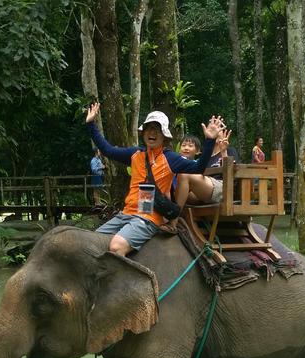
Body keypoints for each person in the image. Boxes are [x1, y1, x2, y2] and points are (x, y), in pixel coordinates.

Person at [86, 101, 222, 256]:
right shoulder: (135, 154)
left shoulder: (170, 158)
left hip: (148, 217)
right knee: (90, 243)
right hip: (125, 214)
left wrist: (210, 141)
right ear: (143, 133)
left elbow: (199, 169)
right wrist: (91, 124)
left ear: (164, 136)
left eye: (157, 129)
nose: (152, 132)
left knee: (116, 247)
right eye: (149, 128)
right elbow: (107, 150)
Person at [173, 126, 237, 209]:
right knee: (174, 190)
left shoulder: (230, 150)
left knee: (185, 175)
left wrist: (224, 151)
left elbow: (232, 173)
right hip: (203, 189)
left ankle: (174, 219)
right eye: (212, 129)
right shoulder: (206, 155)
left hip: (223, 188)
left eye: (219, 129)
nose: (215, 131)